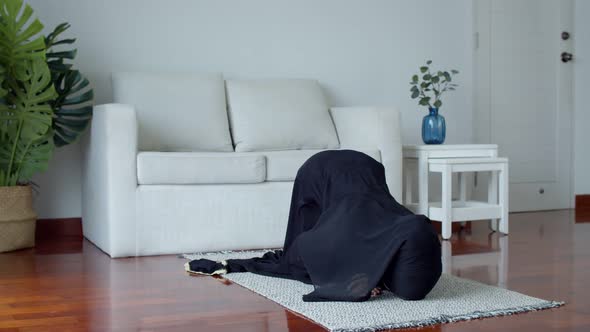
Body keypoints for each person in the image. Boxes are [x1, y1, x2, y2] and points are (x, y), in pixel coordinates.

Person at [186, 150, 442, 302]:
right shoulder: (397, 217)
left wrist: (362, 279)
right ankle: (389, 273)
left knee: (307, 251)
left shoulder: (313, 243)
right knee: (396, 238)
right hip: (421, 240)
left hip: (411, 279)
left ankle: (387, 276)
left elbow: (303, 262)